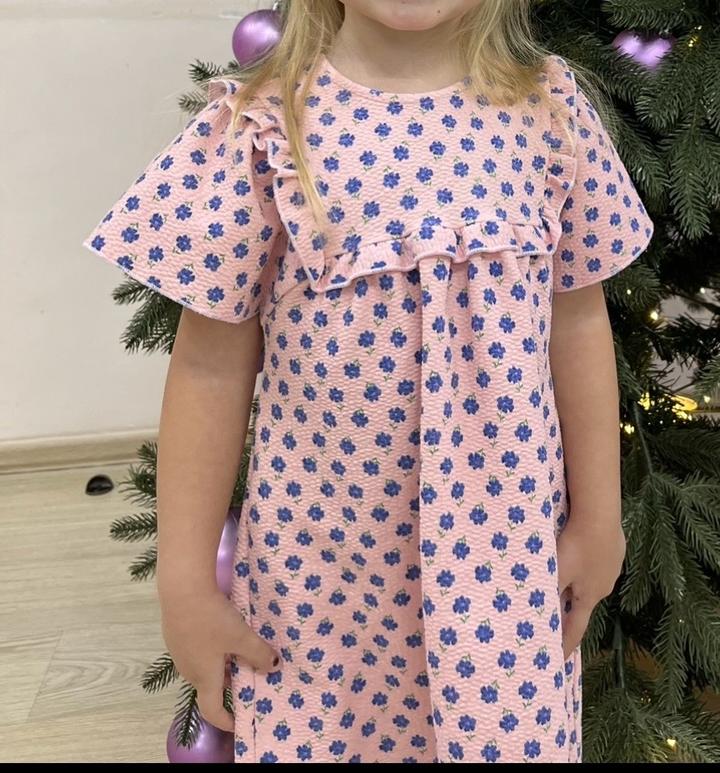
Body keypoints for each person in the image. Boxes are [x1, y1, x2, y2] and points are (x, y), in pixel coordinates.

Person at [82, 0, 654, 764]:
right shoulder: (261, 129)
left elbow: (578, 323)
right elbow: (209, 366)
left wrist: (600, 519)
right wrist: (184, 583)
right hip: (321, 587)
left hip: (505, 572)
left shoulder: (550, 114)